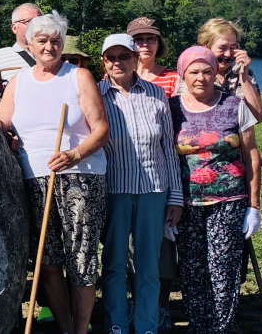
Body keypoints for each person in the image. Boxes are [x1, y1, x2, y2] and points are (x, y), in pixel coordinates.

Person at [0, 12, 109, 334]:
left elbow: (101, 130)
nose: (49, 46)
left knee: (81, 258)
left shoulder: (78, 77)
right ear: (29, 44)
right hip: (34, 178)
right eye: (42, 40)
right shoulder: (19, 82)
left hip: (81, 177)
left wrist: (75, 154)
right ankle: (64, 326)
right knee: (47, 260)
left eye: (55, 40)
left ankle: (81, 329)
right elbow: (2, 124)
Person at [171, 46, 261, 334]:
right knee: (192, 270)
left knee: (223, 269)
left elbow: (252, 157)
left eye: (207, 71)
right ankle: (199, 326)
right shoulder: (171, 109)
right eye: (194, 71)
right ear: (183, 74)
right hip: (186, 204)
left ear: (215, 73)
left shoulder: (234, 106)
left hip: (229, 201)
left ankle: (220, 327)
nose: (201, 77)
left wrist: (254, 207)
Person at [98, 33, 182, 334]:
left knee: (149, 266)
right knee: (114, 263)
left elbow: (168, 150)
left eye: (124, 56)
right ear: (104, 62)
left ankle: (147, 325)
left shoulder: (156, 94)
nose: (118, 62)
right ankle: (116, 324)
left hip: (153, 191)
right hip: (114, 190)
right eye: (112, 57)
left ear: (136, 59)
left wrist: (176, 197)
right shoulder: (95, 94)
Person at [0, 3, 42, 83]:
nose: (35, 26)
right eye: (28, 22)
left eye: (39, 21)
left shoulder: (54, 55)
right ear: (14, 28)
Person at [129, 17, 178, 97]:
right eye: (138, 39)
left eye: (151, 38)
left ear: (158, 44)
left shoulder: (173, 78)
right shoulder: (117, 76)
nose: (145, 44)